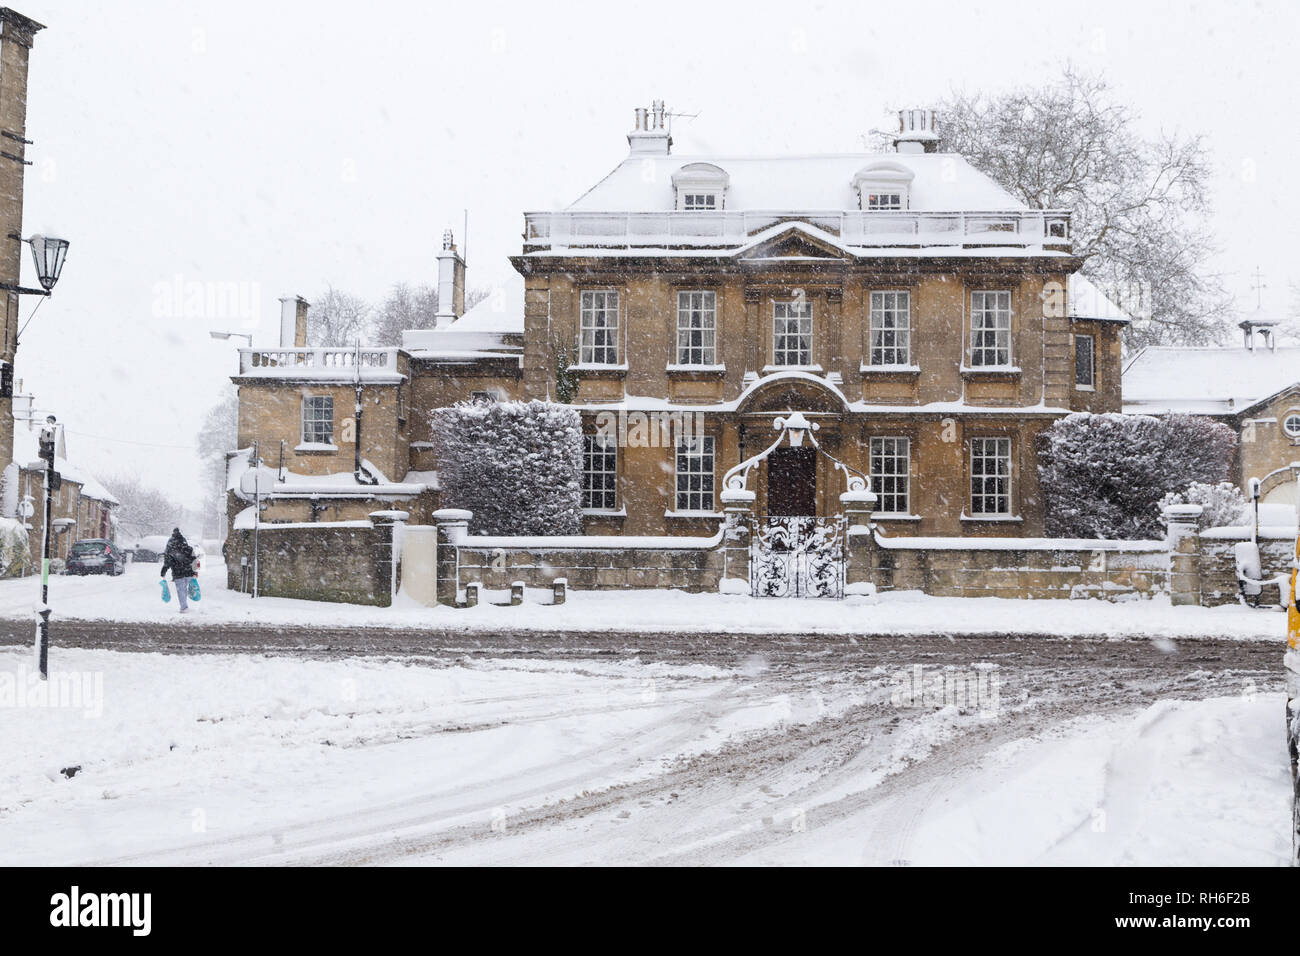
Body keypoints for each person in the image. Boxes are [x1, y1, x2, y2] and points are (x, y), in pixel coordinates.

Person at [160, 528, 200, 614]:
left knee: (181, 590)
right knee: (187, 588)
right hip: (188, 572)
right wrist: (195, 572)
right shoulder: (188, 549)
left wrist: (163, 572)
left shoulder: (171, 550)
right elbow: (194, 560)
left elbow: (168, 563)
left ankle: (184, 607)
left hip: (178, 573)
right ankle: (188, 601)